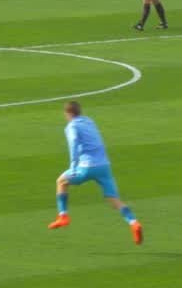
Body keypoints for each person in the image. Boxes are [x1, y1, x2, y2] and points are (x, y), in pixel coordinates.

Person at [48, 101, 143, 241]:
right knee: (114, 200)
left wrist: (74, 166)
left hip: (86, 166)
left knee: (61, 181)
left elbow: (74, 142)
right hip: (104, 166)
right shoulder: (89, 121)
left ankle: (63, 216)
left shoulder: (71, 126)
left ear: (67, 114)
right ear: (80, 111)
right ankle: (133, 222)